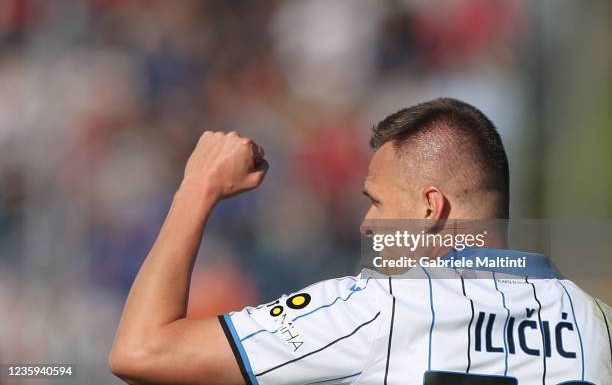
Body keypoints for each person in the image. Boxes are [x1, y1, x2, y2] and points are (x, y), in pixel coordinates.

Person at [109, 98, 611, 384]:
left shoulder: (375, 309)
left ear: (430, 209)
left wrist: (197, 186)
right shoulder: (595, 320)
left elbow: (142, 352)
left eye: (377, 201)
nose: (367, 224)